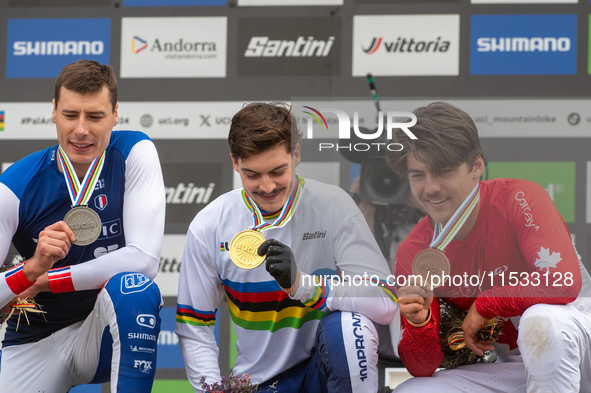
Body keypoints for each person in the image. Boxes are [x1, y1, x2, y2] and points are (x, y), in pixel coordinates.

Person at [176, 102, 398, 393]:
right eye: (252, 175)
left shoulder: (333, 205)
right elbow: (195, 325)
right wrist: (213, 390)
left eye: (278, 171)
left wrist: (304, 285)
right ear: (234, 163)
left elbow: (384, 300)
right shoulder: (210, 224)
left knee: (348, 327)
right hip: (260, 383)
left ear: (296, 154)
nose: (267, 186)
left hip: (323, 370)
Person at [386, 102, 591, 392]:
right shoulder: (414, 251)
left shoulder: (519, 197)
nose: (430, 188)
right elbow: (422, 367)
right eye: (418, 175)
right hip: (511, 368)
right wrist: (420, 325)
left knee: (542, 321)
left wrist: (486, 303)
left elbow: (563, 281)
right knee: (415, 390)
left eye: (443, 171)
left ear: (476, 166)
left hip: (580, 348)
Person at [0, 60, 166, 392]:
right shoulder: (15, 184)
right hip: (37, 337)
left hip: (104, 331)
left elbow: (144, 260)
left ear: (116, 114)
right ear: (53, 111)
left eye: (95, 116)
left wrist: (46, 280)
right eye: (71, 115)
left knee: (135, 288)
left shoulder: (134, 152)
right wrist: (31, 268)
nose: (81, 130)